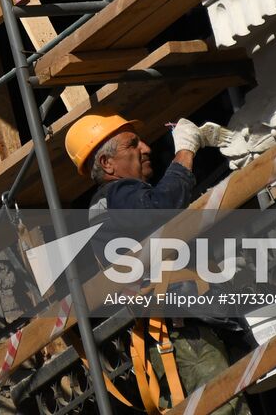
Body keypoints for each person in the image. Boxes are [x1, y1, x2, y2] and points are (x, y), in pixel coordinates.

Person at [64, 113, 250, 415]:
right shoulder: (119, 194)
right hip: (183, 335)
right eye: (132, 144)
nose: (147, 148)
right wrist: (186, 151)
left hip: (171, 332)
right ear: (107, 164)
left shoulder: (108, 206)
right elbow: (159, 208)